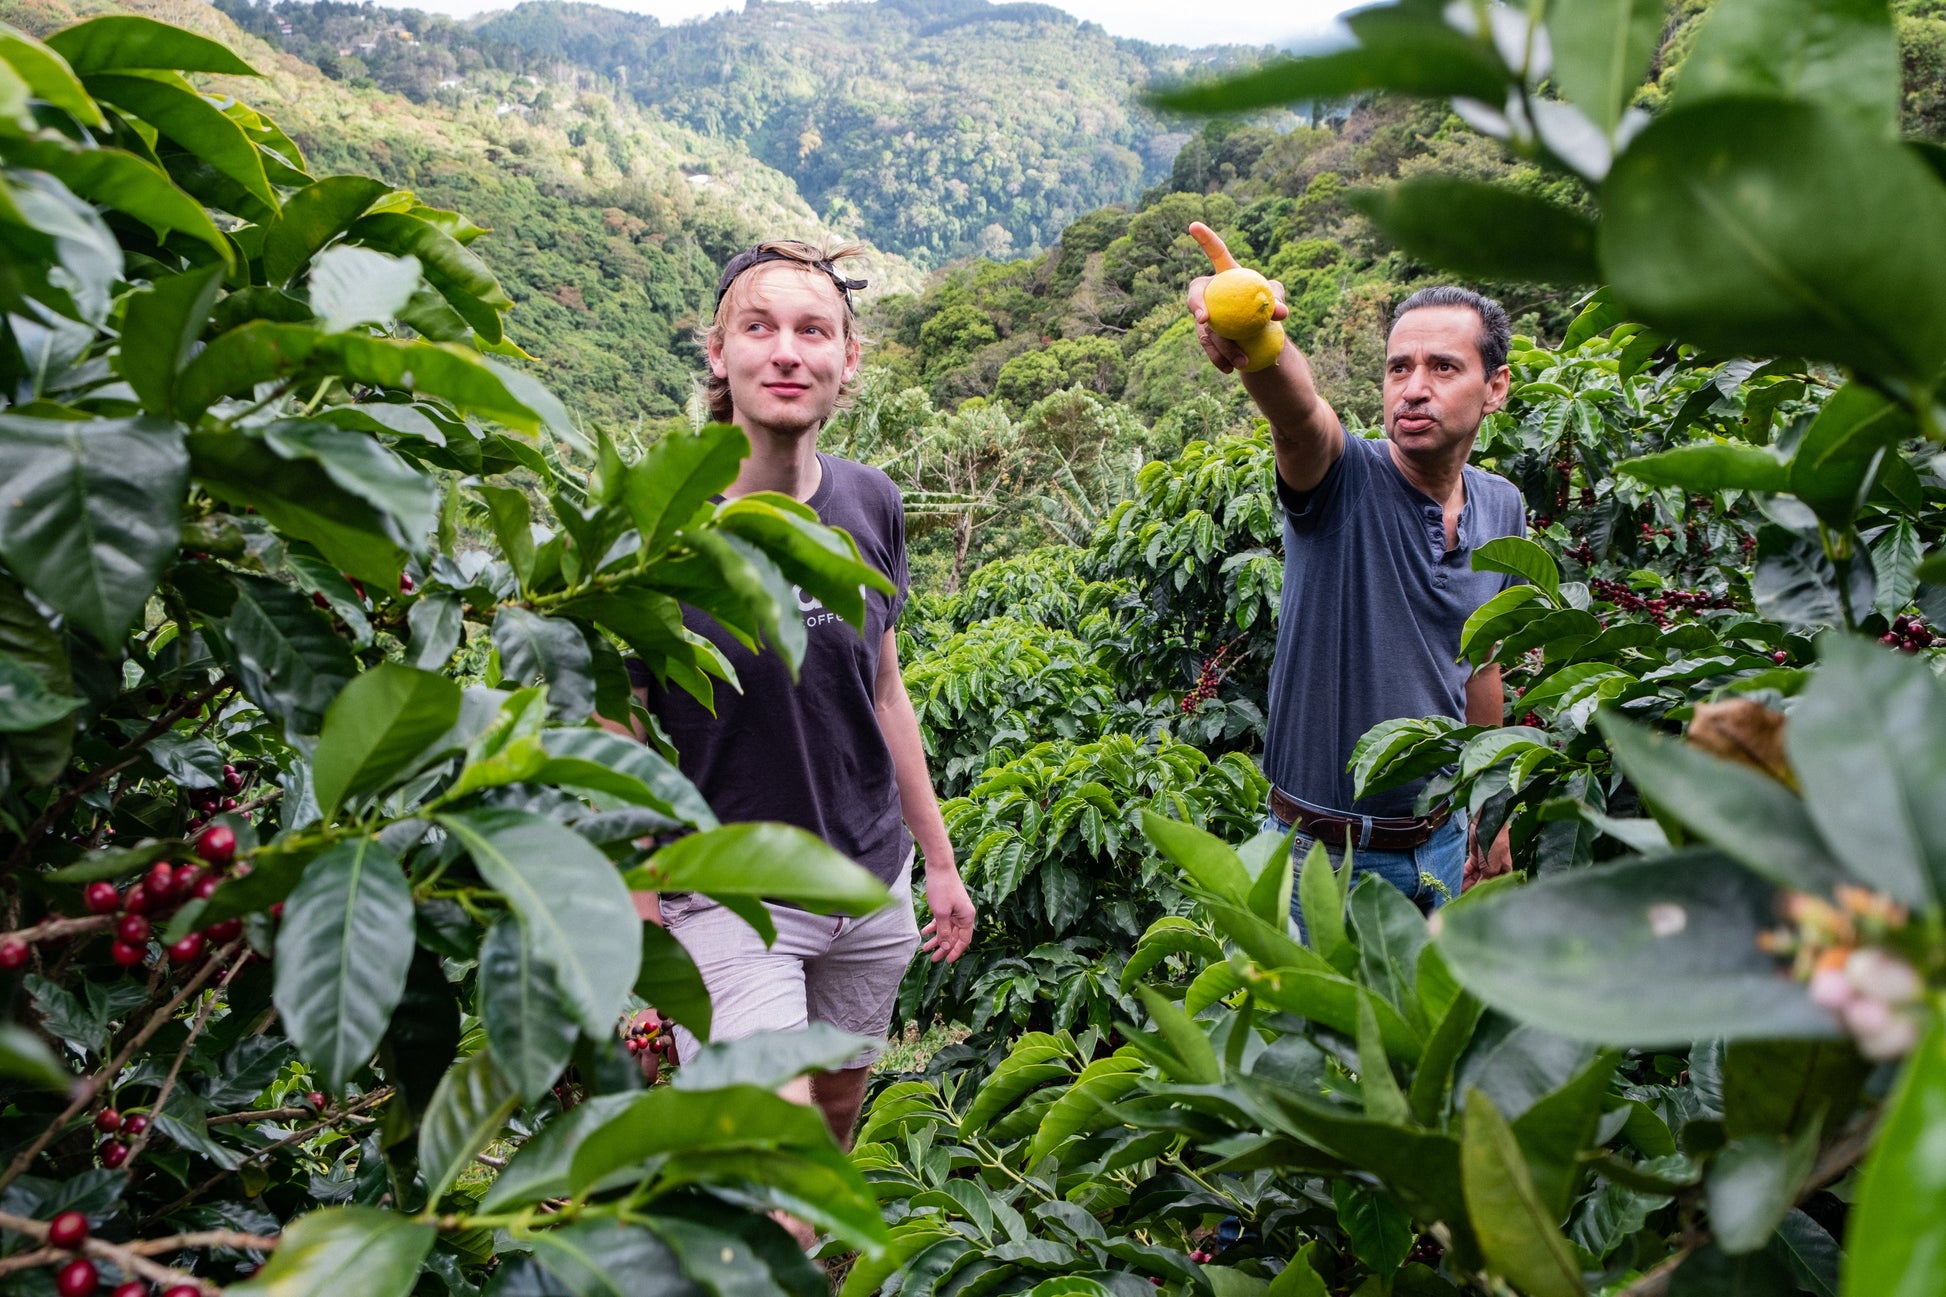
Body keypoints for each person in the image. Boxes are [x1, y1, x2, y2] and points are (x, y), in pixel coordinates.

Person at [617, 239, 976, 1149]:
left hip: (868, 881)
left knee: (832, 1119)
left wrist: (935, 859)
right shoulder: (654, 524)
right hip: (729, 898)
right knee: (765, 1160)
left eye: (813, 330)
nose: (786, 350)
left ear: (846, 359)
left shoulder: (871, 503)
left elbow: (885, 695)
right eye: (758, 326)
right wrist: (643, 938)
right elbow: (615, 741)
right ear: (717, 352)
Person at [1185, 223, 1520, 927]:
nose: (1414, 389)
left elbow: (1483, 666)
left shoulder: (1502, 505)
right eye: (1399, 368)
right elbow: (1300, 416)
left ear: (1495, 388)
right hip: (1322, 861)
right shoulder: (1342, 478)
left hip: (1444, 848)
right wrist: (1258, 341)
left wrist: (1490, 814)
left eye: (1443, 368)